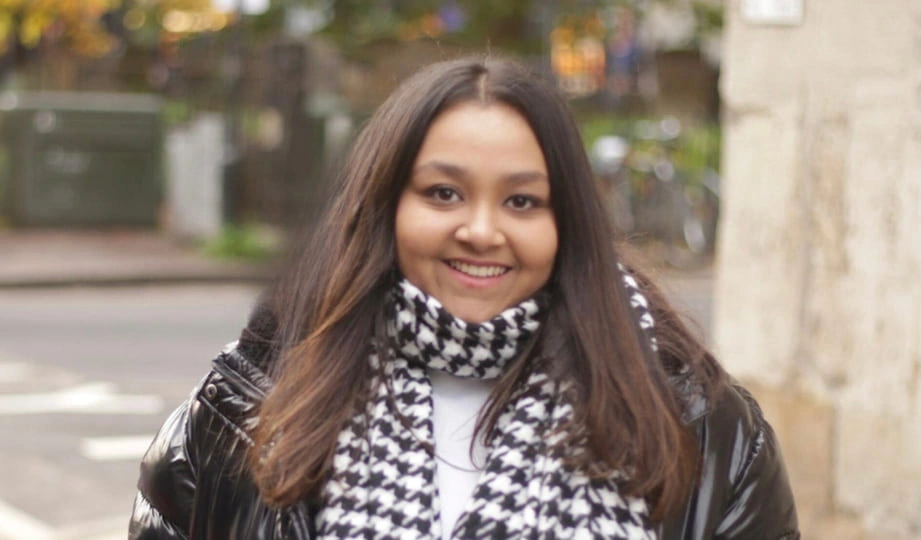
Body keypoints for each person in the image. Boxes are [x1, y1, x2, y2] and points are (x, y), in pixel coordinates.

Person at [129, 56, 799, 539]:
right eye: (443, 193)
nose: (481, 231)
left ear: (568, 222)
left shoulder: (703, 428)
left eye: (521, 201)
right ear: (384, 206)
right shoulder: (241, 412)